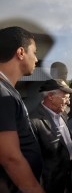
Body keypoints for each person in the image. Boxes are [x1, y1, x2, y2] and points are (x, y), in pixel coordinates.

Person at [0, 26, 44, 192]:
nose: (37, 59)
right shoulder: (2, 93)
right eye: (34, 52)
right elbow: (10, 158)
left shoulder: (7, 90)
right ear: (20, 53)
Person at [30, 79, 72, 193]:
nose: (68, 102)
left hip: (70, 179)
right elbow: (33, 161)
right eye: (65, 97)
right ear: (50, 96)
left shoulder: (63, 114)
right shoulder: (34, 121)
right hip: (51, 185)